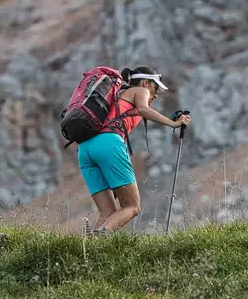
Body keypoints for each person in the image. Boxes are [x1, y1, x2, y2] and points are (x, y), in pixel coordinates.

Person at [77, 66, 191, 234]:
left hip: (85, 148)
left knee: (107, 213)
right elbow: (143, 109)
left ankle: (89, 252)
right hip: (108, 143)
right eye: (156, 87)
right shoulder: (140, 90)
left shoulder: (119, 95)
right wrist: (173, 123)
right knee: (132, 206)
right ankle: (99, 239)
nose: (157, 93)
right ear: (145, 83)